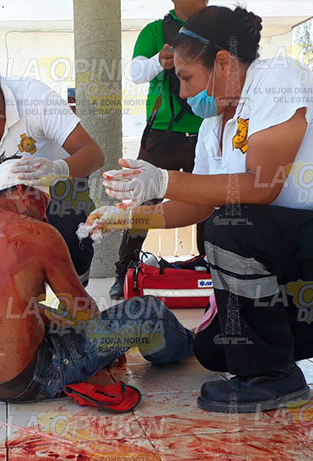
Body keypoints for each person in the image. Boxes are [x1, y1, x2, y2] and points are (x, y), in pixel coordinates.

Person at [87, 6, 313, 413]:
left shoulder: (276, 80)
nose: (183, 93)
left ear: (223, 61)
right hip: (304, 242)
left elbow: (261, 187)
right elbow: (195, 205)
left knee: (231, 225)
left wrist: (164, 178)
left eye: (186, 77)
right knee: (215, 351)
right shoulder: (212, 128)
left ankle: (273, 377)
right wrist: (131, 217)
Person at [0, 160, 194, 403]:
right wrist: (110, 343)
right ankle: (187, 346)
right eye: (43, 203)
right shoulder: (37, 233)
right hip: (29, 379)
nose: (46, 215)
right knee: (147, 311)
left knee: (37, 310)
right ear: (23, 191)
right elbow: (84, 314)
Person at [0, 37, 104, 285]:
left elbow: (94, 154)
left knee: (69, 220)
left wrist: (58, 169)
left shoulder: (34, 97)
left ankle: (76, 283)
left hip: (55, 187)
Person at [110, 0, 209, 300]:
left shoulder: (215, 27)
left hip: (207, 130)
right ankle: (124, 271)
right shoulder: (156, 30)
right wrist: (159, 61)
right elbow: (136, 72)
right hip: (161, 131)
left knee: (210, 201)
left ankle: (210, 268)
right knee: (143, 202)